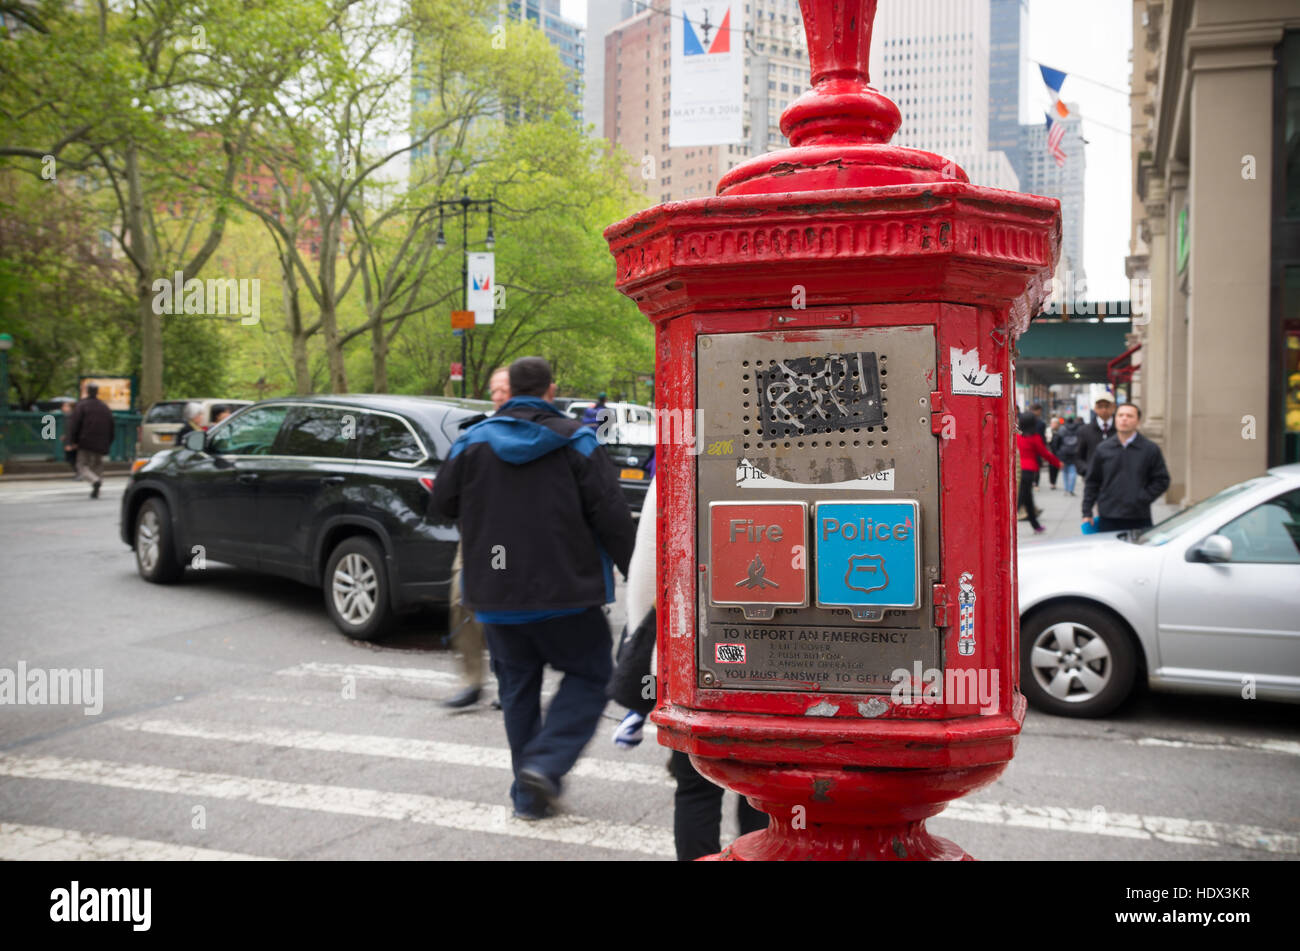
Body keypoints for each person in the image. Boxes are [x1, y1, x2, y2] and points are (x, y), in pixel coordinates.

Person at [429, 357, 636, 820]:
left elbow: (441, 503)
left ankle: (528, 796)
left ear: (509, 391)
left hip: (495, 598)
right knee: (591, 675)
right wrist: (638, 576)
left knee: (518, 692)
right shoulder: (578, 440)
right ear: (551, 390)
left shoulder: (471, 441)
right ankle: (545, 764)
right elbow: (612, 517)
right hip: (567, 592)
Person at [608, 478, 767, 860]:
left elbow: (647, 564)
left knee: (695, 785)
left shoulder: (680, 459)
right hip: (776, 650)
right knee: (767, 790)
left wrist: (648, 649)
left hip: (695, 649)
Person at [443, 366, 511, 711]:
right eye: (494, 389)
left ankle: (508, 681)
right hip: (473, 535)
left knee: (501, 609)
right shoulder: (476, 431)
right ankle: (472, 680)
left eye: (505, 389)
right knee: (461, 601)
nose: (498, 395)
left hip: (510, 537)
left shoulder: (527, 432)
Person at [1081, 402, 1170, 534]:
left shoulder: (1150, 449)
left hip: (1139, 516)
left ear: (1138, 421)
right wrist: (1086, 512)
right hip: (1108, 515)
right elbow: (1092, 482)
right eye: (1120, 415)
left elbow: (1162, 480)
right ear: (1115, 419)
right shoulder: (1103, 449)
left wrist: (1142, 498)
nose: (1124, 419)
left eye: (1129, 416)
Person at [65, 384, 115, 499]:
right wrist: (109, 441)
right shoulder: (104, 406)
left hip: (85, 441)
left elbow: (74, 424)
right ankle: (97, 486)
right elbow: (112, 426)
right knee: (98, 465)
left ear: (87, 391)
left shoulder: (82, 406)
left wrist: (71, 441)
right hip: (102, 441)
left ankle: (95, 481)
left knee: (81, 465)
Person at [1017, 411, 1062, 535]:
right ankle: (1009, 524)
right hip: (1029, 471)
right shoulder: (1035, 438)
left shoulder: (1018, 437)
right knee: (1021, 500)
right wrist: (1057, 463)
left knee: (1027, 499)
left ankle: (1035, 525)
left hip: (1020, 469)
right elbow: (1044, 454)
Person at [1076, 397, 1116, 478]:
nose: (1104, 410)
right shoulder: (1085, 430)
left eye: (1107, 406)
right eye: (1100, 406)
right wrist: (1087, 471)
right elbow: (1078, 456)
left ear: (1113, 408)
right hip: (1092, 478)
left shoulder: (1120, 429)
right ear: (1095, 409)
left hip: (1116, 478)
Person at [1052, 416, 1084, 495]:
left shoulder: (1062, 429)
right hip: (1075, 452)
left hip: (1063, 453)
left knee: (1065, 471)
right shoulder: (1078, 429)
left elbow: (1056, 442)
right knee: (1073, 472)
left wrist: (1057, 453)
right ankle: (1071, 489)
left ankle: (1066, 489)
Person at [60, 400, 78, 473]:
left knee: (72, 459)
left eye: (65, 406)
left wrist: (70, 444)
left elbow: (71, 431)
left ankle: (79, 473)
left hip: (73, 442)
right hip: (72, 441)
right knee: (72, 459)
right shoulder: (68, 416)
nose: (63, 408)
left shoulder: (70, 417)